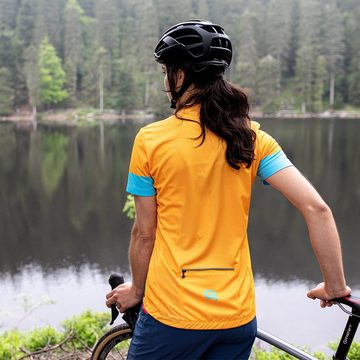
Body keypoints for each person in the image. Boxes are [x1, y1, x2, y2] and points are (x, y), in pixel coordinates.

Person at [106, 20, 351, 359]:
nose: (166, 81)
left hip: (172, 318)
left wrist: (138, 290)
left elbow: (144, 233)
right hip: (235, 320)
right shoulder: (253, 139)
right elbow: (317, 209)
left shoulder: (151, 141)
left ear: (180, 76)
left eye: (166, 72)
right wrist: (335, 286)